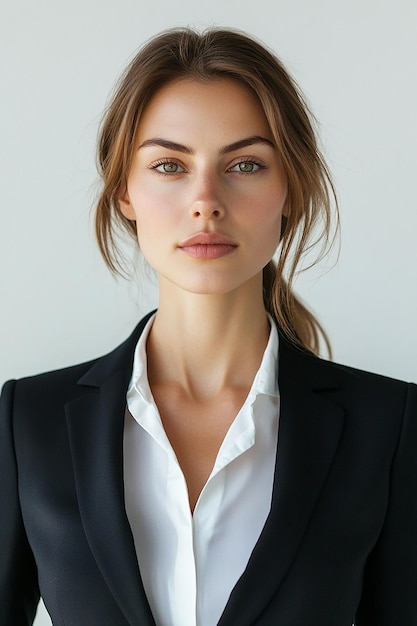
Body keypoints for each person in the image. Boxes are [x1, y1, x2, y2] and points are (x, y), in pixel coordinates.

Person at [0, 27, 416, 626]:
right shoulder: (27, 421)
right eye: (169, 165)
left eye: (244, 164)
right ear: (125, 191)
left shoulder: (388, 427)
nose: (205, 200)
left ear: (290, 188)